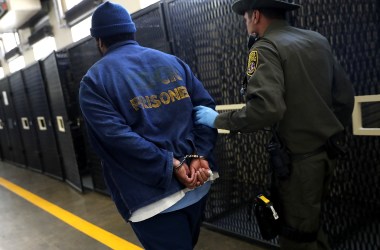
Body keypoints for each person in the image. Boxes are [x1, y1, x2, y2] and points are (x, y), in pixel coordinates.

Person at [194, 0, 355, 249]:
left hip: (299, 162)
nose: (246, 24)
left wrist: (218, 120)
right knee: (313, 224)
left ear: (255, 15)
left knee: (297, 236)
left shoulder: (265, 48)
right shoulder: (316, 39)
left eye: (246, 18)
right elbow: (344, 98)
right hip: (327, 153)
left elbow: (266, 109)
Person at [79, 2, 218, 250]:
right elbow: (205, 109)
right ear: (132, 32)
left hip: (153, 200)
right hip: (199, 182)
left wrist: (170, 164)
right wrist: (200, 154)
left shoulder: (95, 81)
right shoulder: (173, 62)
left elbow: (117, 138)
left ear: (100, 41)